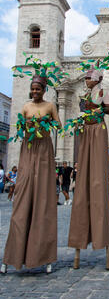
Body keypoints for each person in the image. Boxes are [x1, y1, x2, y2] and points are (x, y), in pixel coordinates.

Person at [1, 75, 61, 274]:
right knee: (22, 199)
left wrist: (47, 122)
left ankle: (43, 254)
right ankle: (14, 254)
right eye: (32, 89)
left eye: (38, 89)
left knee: (43, 199)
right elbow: (18, 127)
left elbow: (59, 125)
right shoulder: (25, 107)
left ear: (44, 90)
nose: (35, 92)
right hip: (28, 150)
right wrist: (25, 126)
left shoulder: (50, 105)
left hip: (44, 150)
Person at [68, 67, 109, 270]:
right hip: (86, 131)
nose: (86, 80)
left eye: (89, 78)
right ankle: (79, 239)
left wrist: (98, 107)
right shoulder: (85, 93)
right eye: (85, 78)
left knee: (97, 182)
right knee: (83, 179)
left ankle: (100, 237)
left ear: (97, 80)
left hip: (98, 131)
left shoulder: (103, 92)